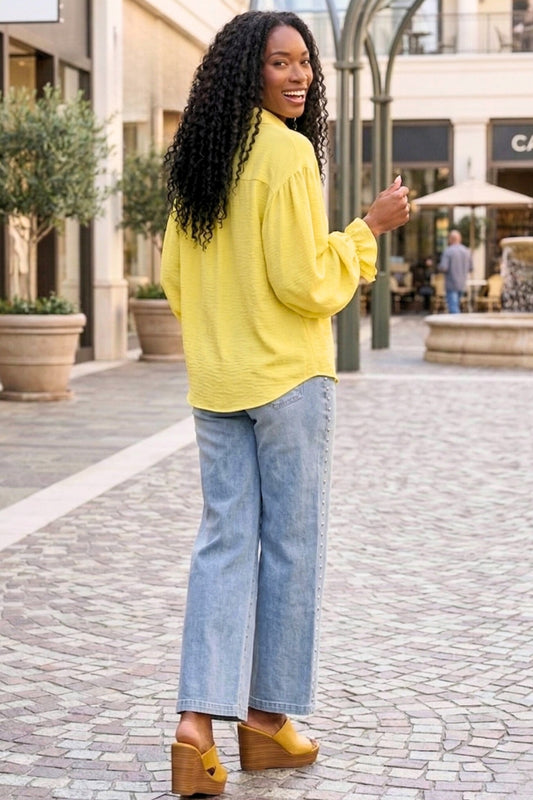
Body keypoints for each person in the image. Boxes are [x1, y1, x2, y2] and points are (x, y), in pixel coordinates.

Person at [161, 10, 410, 796]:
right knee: (292, 548)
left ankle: (195, 731)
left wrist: (220, 328)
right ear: (249, 71)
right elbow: (305, 284)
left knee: (223, 544)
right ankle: (267, 726)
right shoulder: (287, 156)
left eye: (304, 63)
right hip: (289, 380)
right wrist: (366, 230)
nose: (298, 76)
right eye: (280, 63)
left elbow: (173, 277)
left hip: (217, 382)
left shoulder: (203, 159)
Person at [438, 229, 473, 313]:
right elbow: (471, 268)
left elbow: (444, 267)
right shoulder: (467, 251)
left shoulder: (448, 251)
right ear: (460, 239)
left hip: (451, 283)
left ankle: (457, 325)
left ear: (450, 239)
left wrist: (437, 266)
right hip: (462, 283)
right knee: (456, 305)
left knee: (453, 308)